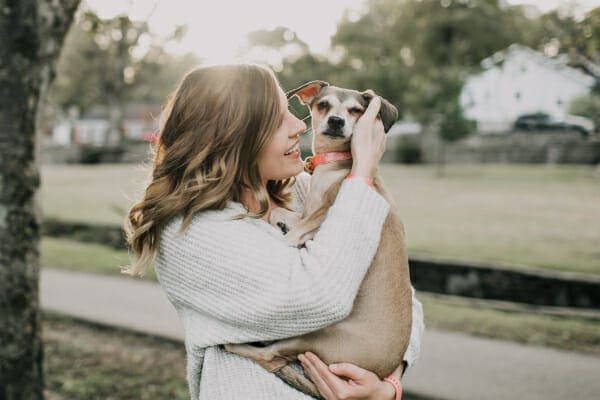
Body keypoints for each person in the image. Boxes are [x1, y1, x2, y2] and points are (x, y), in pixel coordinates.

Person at [123, 64, 424, 400]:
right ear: (232, 136)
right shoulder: (190, 233)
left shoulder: (305, 192)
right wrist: (363, 169)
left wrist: (388, 386)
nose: (300, 125)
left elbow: (401, 298)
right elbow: (321, 297)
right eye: (279, 119)